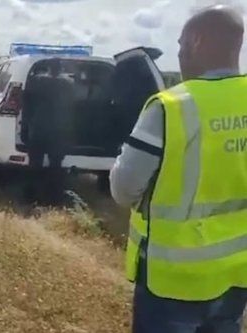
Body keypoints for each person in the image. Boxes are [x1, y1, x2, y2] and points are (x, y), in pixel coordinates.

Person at [109, 4, 247, 333]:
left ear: (198, 40)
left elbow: (123, 189)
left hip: (173, 281)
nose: (181, 54)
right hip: (236, 274)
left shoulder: (170, 107)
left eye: (182, 44)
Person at [24, 59, 75, 205]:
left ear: (48, 68)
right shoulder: (68, 84)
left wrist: (28, 124)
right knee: (56, 165)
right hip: (58, 130)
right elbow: (72, 105)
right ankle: (54, 197)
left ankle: (31, 197)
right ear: (61, 69)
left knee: (34, 164)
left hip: (39, 127)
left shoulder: (37, 80)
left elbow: (27, 101)